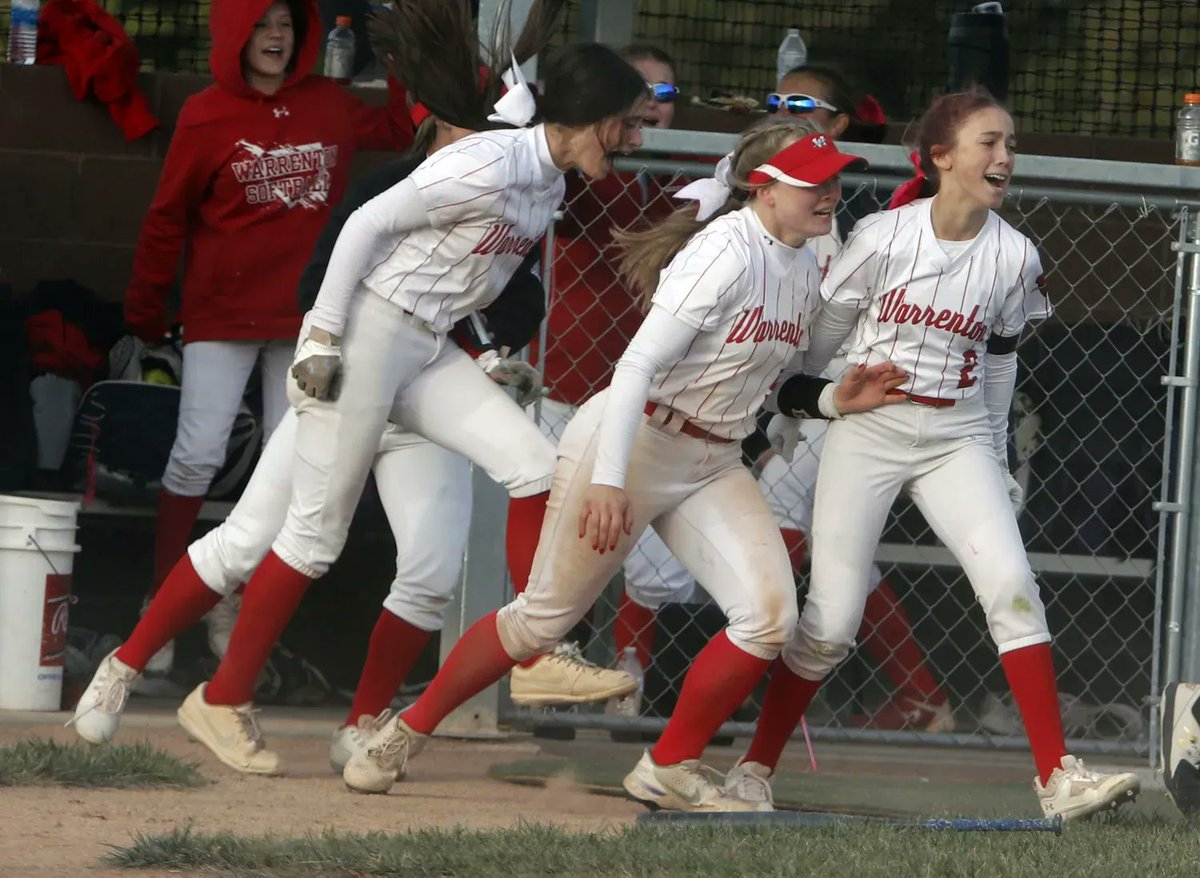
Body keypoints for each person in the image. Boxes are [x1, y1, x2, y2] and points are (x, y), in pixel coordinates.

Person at [338, 117, 908, 811]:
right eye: (811, 181)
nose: (830, 192)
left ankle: (668, 765)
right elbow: (636, 366)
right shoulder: (727, 250)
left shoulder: (805, 262)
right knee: (540, 622)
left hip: (712, 456)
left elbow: (780, 385)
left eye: (834, 178)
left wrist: (835, 401)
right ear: (762, 188)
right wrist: (609, 480)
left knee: (767, 618)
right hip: (632, 438)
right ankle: (404, 730)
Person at [157, 15, 650, 775]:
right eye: (624, 123)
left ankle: (537, 648)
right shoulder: (488, 163)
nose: (632, 140)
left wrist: (490, 351)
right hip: (371, 332)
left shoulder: (546, 171)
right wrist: (321, 334)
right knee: (313, 537)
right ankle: (221, 698)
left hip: (426, 344)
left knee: (533, 464)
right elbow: (364, 223)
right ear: (583, 116)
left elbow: (482, 281)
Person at [726, 88, 1142, 822]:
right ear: (941, 157)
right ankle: (754, 768)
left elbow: (1003, 361)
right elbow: (825, 335)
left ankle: (1058, 776)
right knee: (829, 623)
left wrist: (995, 453)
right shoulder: (884, 236)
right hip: (870, 432)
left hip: (955, 440)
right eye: (988, 142)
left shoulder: (1015, 255)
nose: (1005, 156)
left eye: (1010, 143)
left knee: (1014, 589)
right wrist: (797, 406)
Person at [122, 0, 413, 682]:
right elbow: (168, 216)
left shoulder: (330, 104)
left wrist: (399, 50)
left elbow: (403, 126)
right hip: (220, 313)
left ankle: (237, 601)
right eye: (261, 25)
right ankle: (163, 600)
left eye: (286, 25)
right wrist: (145, 304)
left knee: (288, 468)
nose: (275, 38)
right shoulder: (205, 113)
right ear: (233, 34)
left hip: (308, 317)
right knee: (195, 456)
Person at [532, 43, 692, 712]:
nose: (652, 107)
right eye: (638, 96)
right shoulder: (589, 169)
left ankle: (631, 667)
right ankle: (548, 662)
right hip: (562, 375)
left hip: (640, 389)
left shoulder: (684, 175)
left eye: (664, 92)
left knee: (645, 545)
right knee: (563, 532)